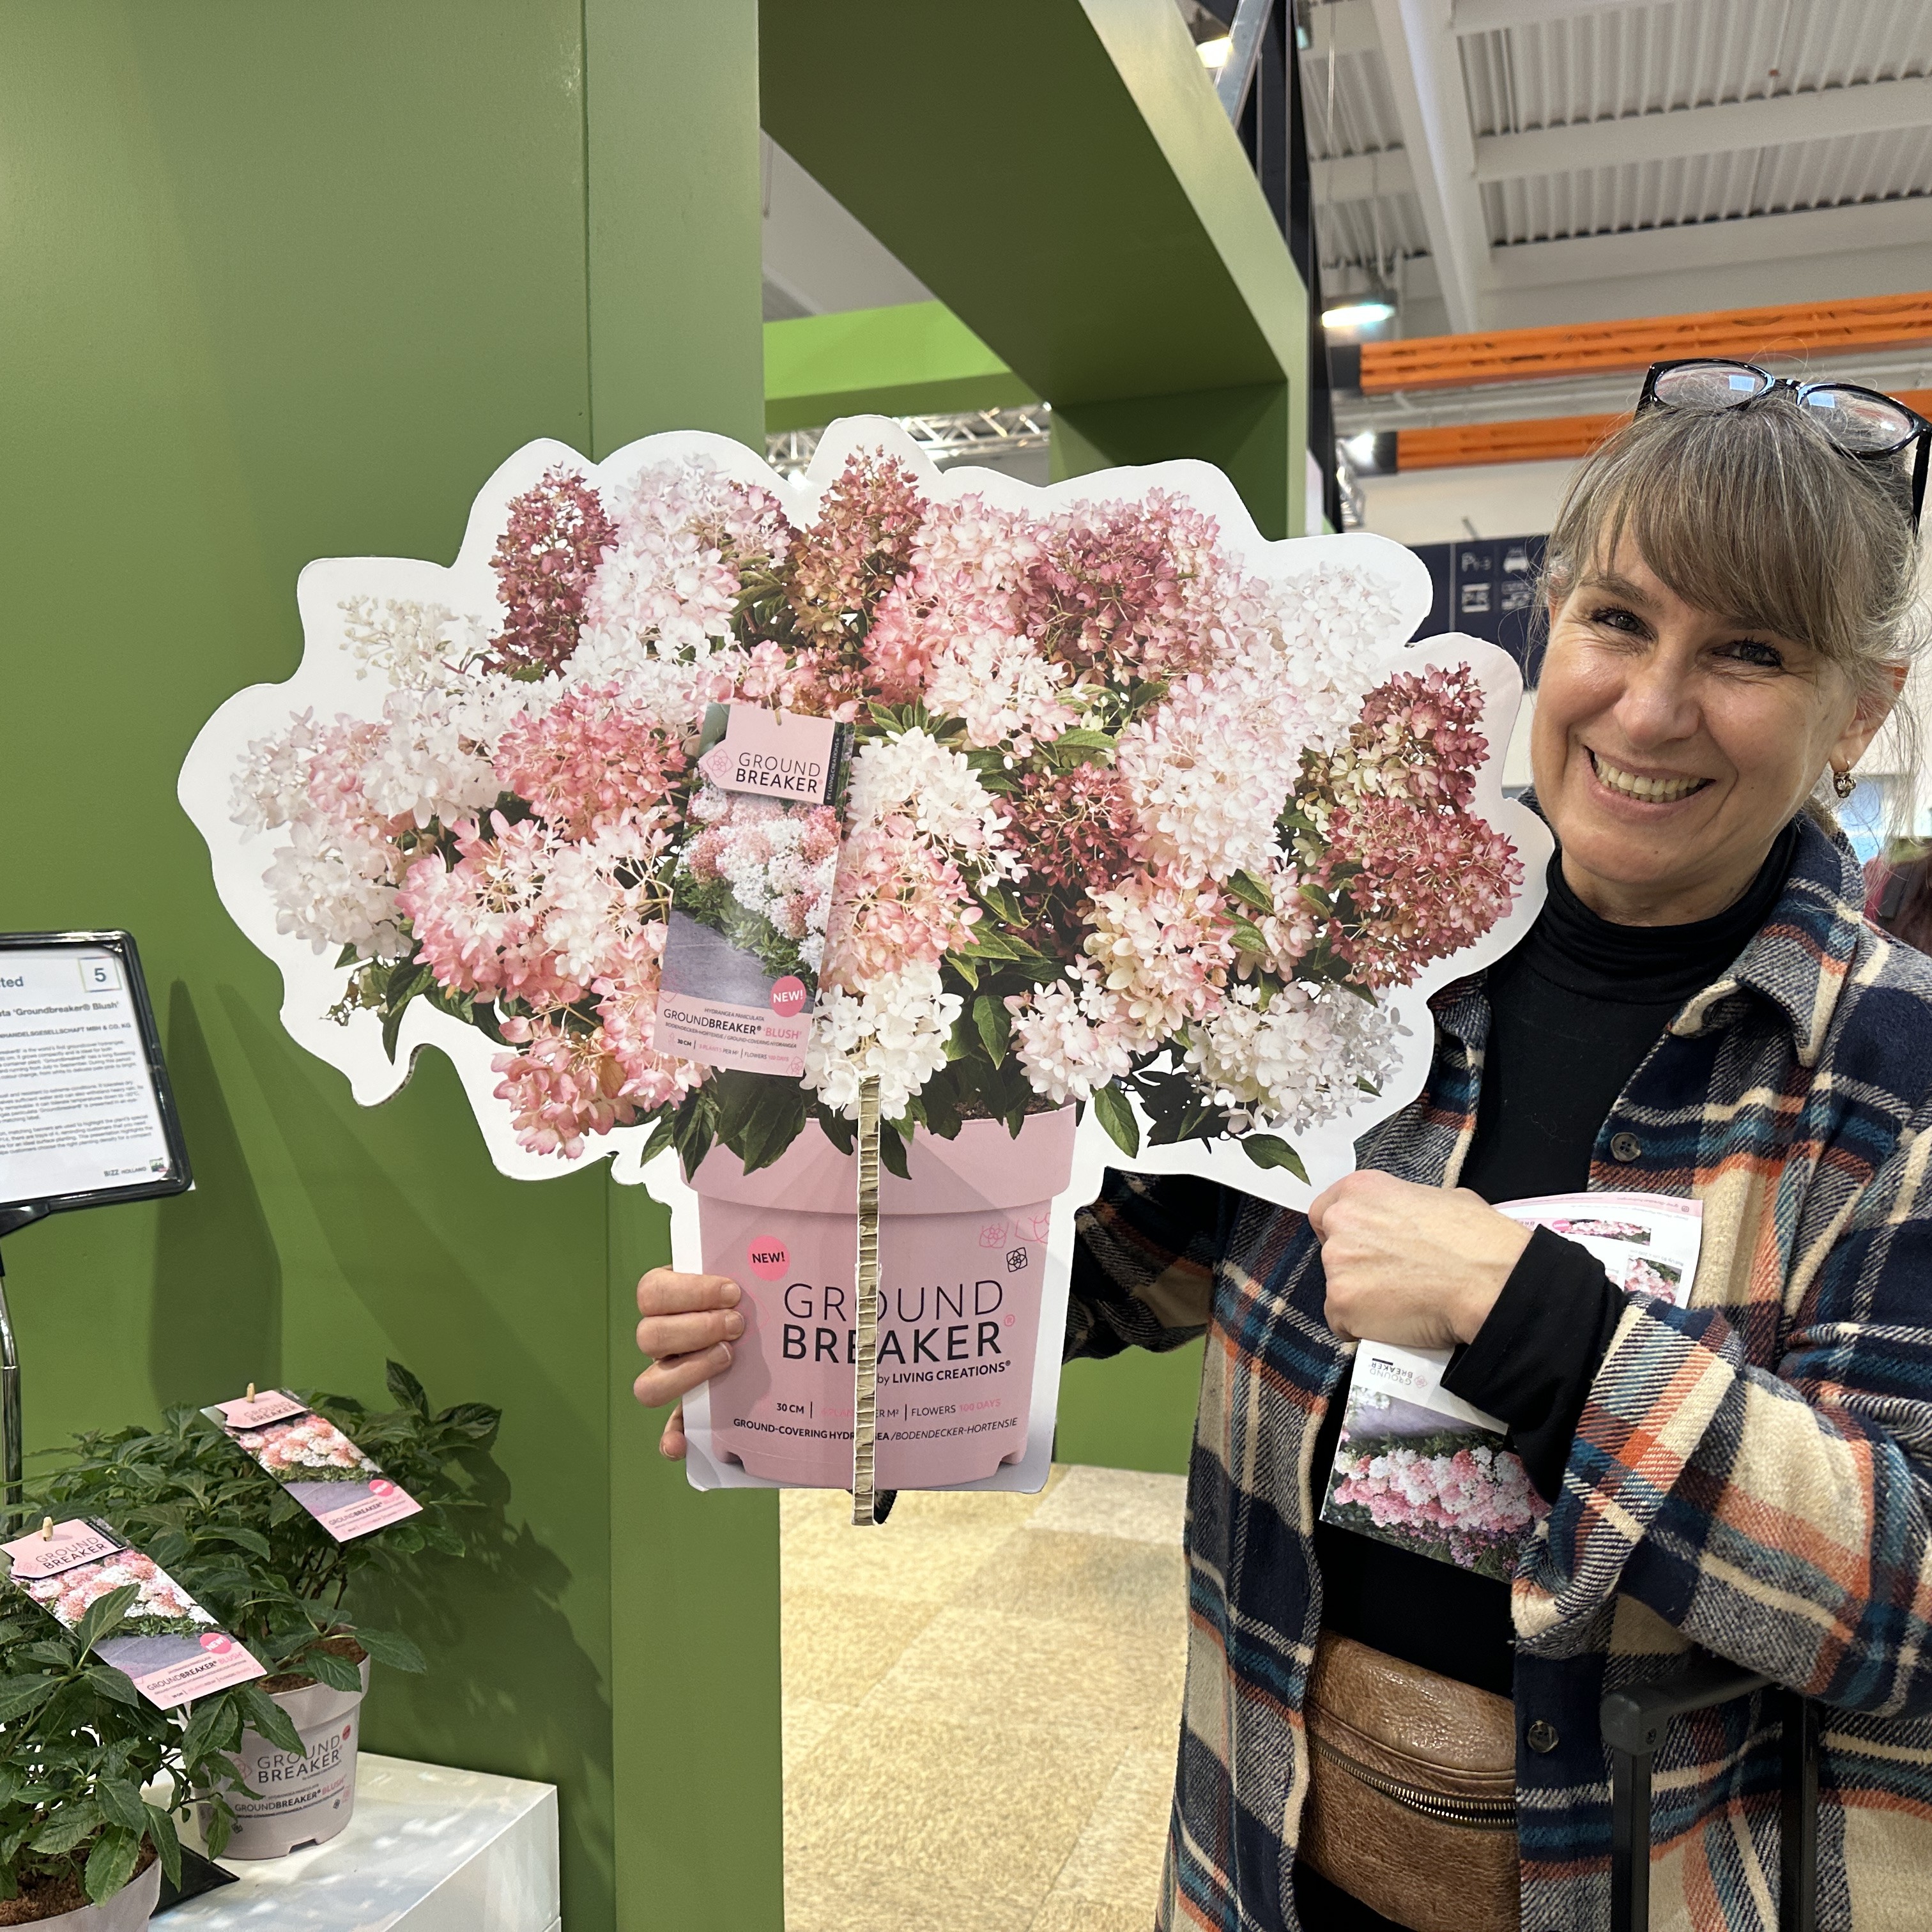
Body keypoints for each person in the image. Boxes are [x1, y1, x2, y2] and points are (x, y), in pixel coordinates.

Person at [632, 365, 1932, 1932]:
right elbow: (1129, 1261)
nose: (1651, 709)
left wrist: (1543, 1328)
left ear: (1858, 710)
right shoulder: (1367, 945)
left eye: (1748, 653)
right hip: (1265, 1855)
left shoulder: (1891, 1065)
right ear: (1549, 622)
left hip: (1657, 1887)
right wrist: (819, 1341)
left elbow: (1907, 1596)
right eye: (1617, 621)